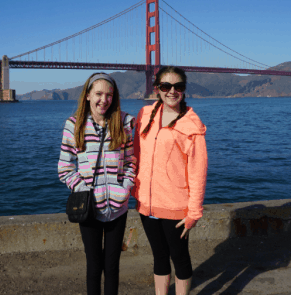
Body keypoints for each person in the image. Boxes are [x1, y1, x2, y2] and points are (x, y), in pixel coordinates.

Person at [58, 72, 136, 295]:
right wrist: (84, 191)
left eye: (109, 94)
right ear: (88, 96)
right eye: (99, 94)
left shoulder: (125, 123)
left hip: (118, 207)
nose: (104, 99)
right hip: (89, 208)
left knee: (112, 266)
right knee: (93, 266)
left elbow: (132, 161)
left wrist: (125, 188)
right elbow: (64, 168)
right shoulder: (74, 125)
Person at [132, 66, 208, 295]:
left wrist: (194, 212)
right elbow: (135, 154)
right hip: (147, 203)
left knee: (180, 258)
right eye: (166, 86)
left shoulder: (191, 126)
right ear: (157, 89)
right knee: (159, 257)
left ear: (184, 90)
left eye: (178, 86)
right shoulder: (144, 114)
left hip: (175, 207)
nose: (172, 91)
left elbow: (198, 171)